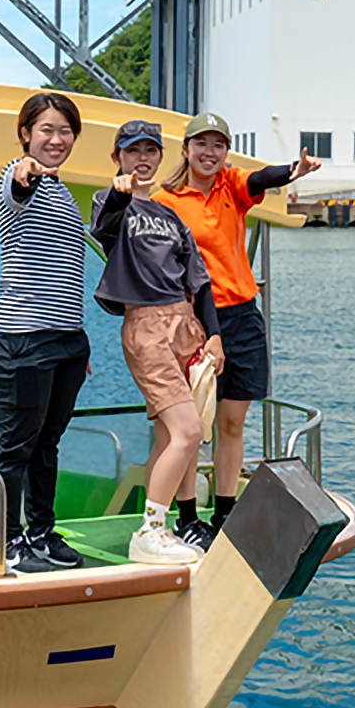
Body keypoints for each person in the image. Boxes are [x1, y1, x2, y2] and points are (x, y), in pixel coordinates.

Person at [154, 113, 320, 534]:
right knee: (191, 426)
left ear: (225, 152)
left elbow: (262, 178)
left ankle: (225, 512)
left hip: (242, 317)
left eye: (217, 145)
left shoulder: (231, 187)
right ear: (186, 149)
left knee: (231, 422)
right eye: (201, 144)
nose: (209, 153)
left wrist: (291, 171)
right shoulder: (166, 201)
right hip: (192, 322)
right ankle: (188, 516)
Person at [90, 120, 225, 564]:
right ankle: (149, 530)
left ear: (161, 157)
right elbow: (105, 226)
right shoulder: (112, 204)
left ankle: (163, 528)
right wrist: (120, 191)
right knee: (189, 431)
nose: (142, 159)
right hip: (146, 325)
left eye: (150, 151)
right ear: (118, 158)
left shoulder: (171, 217)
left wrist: (215, 338)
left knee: (169, 434)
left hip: (186, 324)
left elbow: (200, 283)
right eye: (133, 152)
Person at [0, 92, 91, 575]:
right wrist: (25, 171)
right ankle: (3, 544)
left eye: (65, 131)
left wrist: (75, 341)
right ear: (26, 133)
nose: (57, 139)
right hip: (23, 339)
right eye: (46, 129)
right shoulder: (17, 176)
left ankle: (41, 534)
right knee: (16, 444)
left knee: (48, 442)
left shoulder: (63, 191)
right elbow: (17, 184)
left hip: (65, 340)